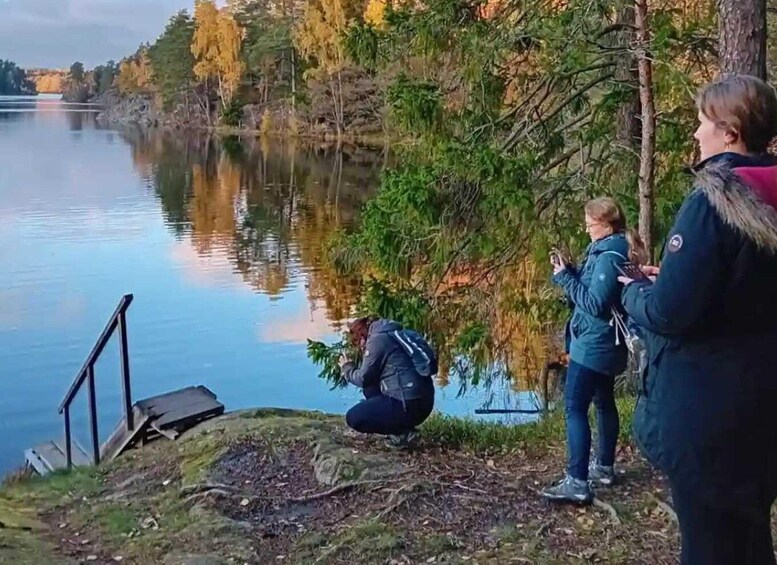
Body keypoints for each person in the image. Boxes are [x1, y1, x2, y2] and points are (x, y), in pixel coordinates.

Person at [620, 75, 777, 565]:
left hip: (710, 412)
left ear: (729, 132)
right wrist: (679, 275)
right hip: (766, 405)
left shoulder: (715, 200)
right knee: (751, 541)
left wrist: (636, 294)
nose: (696, 134)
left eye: (702, 122)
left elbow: (670, 313)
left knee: (708, 545)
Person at [542, 197, 644, 504]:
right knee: (603, 403)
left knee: (574, 407)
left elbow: (595, 305)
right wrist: (572, 272)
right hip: (606, 343)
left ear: (607, 224)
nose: (586, 230)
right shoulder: (612, 250)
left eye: (590, 224)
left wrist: (564, 279)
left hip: (594, 344)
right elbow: (597, 293)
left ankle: (577, 481)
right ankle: (604, 468)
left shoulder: (608, 256)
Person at [339, 317, 436, 448]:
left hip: (409, 405)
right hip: (424, 402)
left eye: (358, 343)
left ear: (362, 336)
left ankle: (401, 433)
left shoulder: (377, 340)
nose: (361, 347)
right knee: (370, 387)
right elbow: (369, 379)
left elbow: (363, 378)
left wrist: (347, 368)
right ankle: (404, 428)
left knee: (353, 418)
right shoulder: (392, 333)